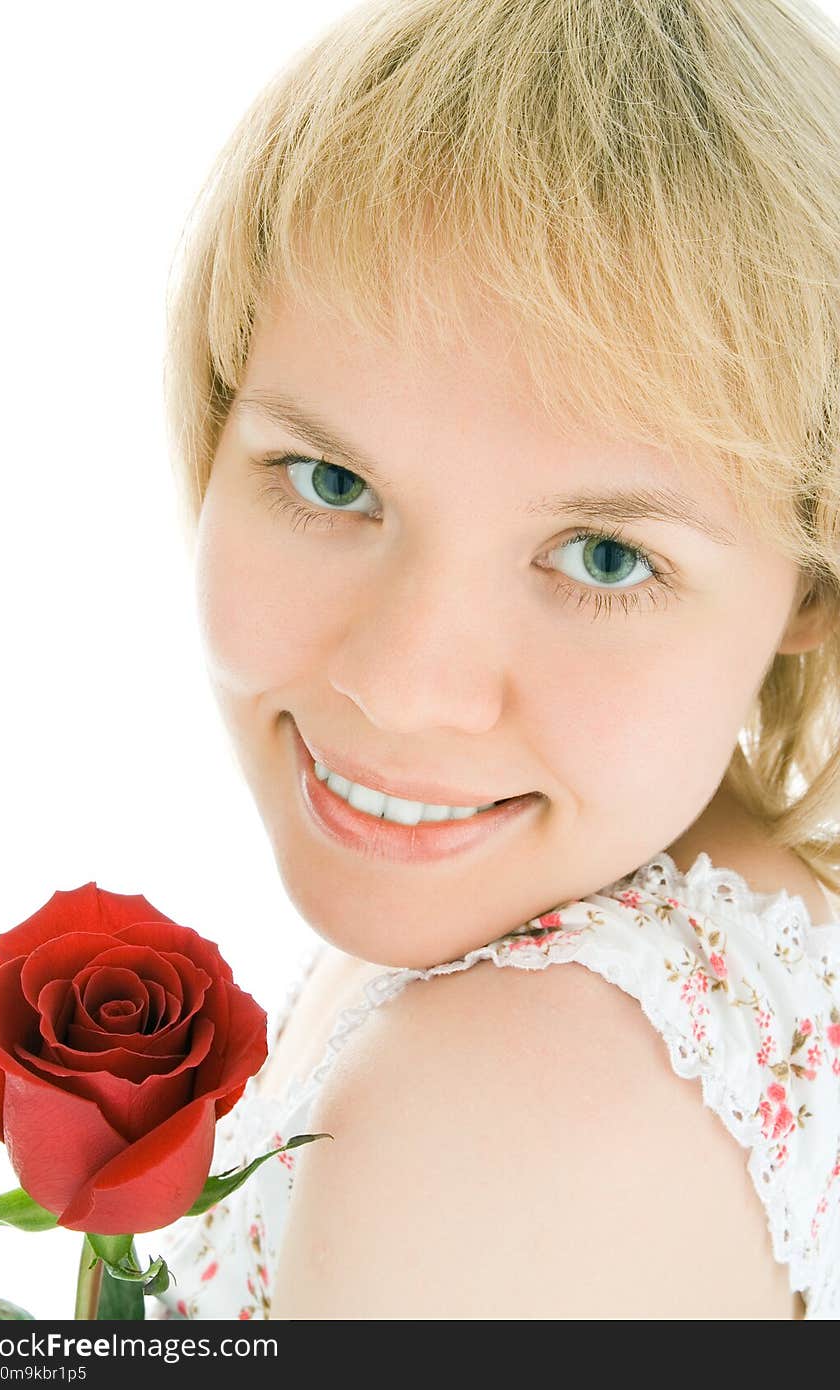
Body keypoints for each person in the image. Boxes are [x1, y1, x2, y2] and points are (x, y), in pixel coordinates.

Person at [148, 0, 840, 1319]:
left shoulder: (487, 1120)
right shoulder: (707, 923)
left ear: (812, 573)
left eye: (601, 557)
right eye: (333, 480)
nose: (404, 686)